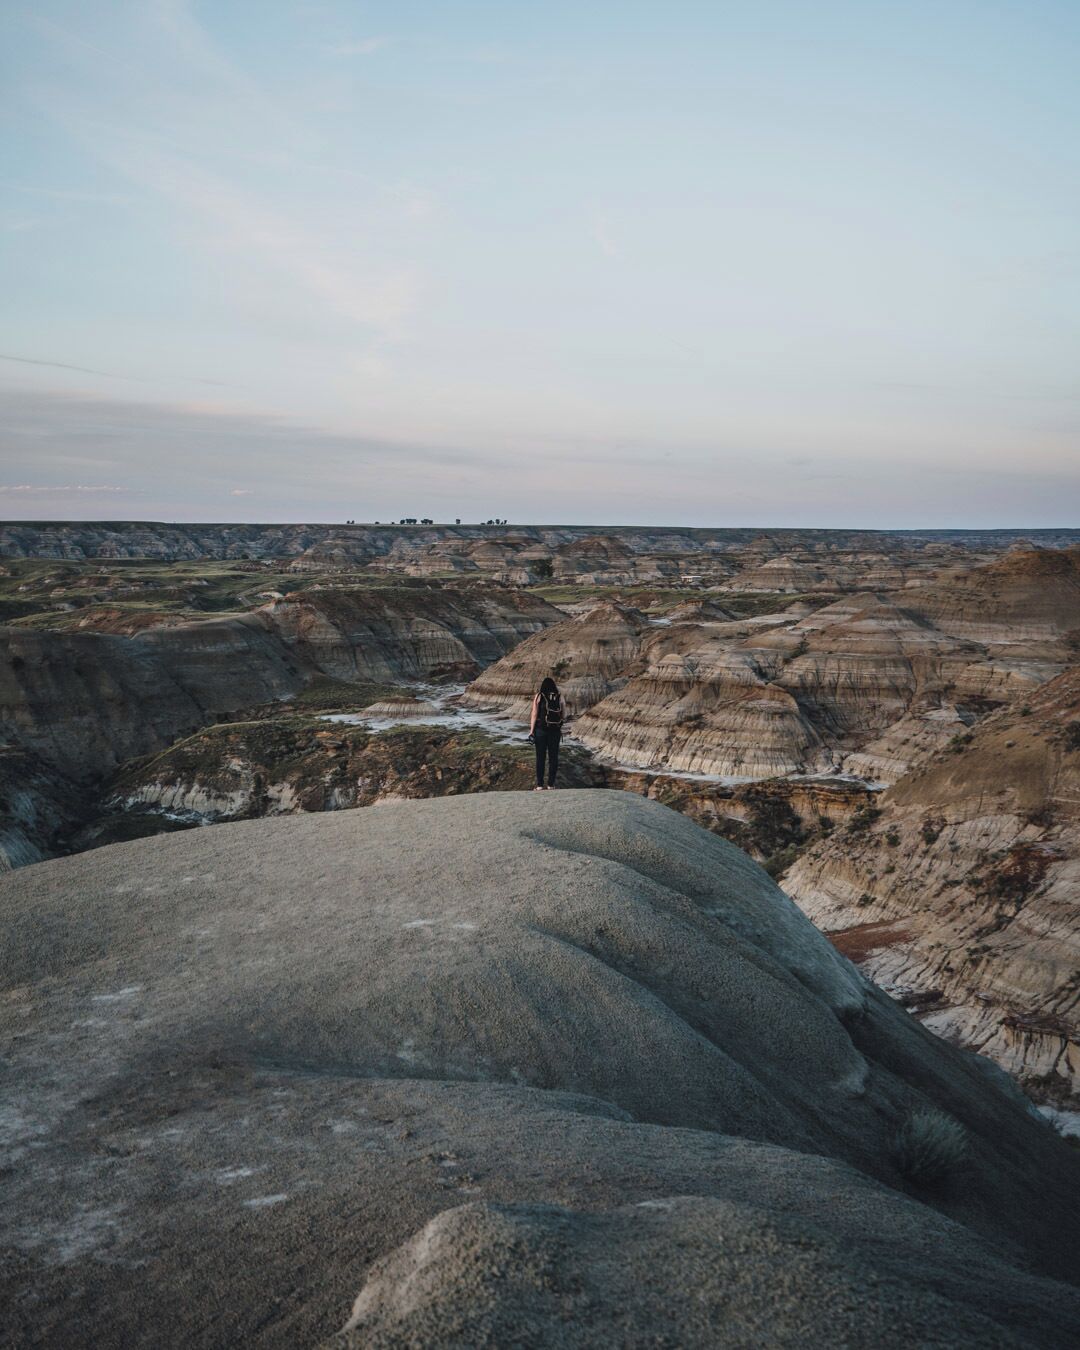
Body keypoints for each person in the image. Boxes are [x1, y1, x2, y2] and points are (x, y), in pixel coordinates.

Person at [529, 676, 566, 790]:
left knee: (540, 758)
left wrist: (531, 731)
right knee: (553, 758)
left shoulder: (539, 696)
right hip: (555, 731)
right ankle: (551, 785)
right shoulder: (559, 697)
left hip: (541, 730)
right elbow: (564, 714)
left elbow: (534, 715)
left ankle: (540, 785)